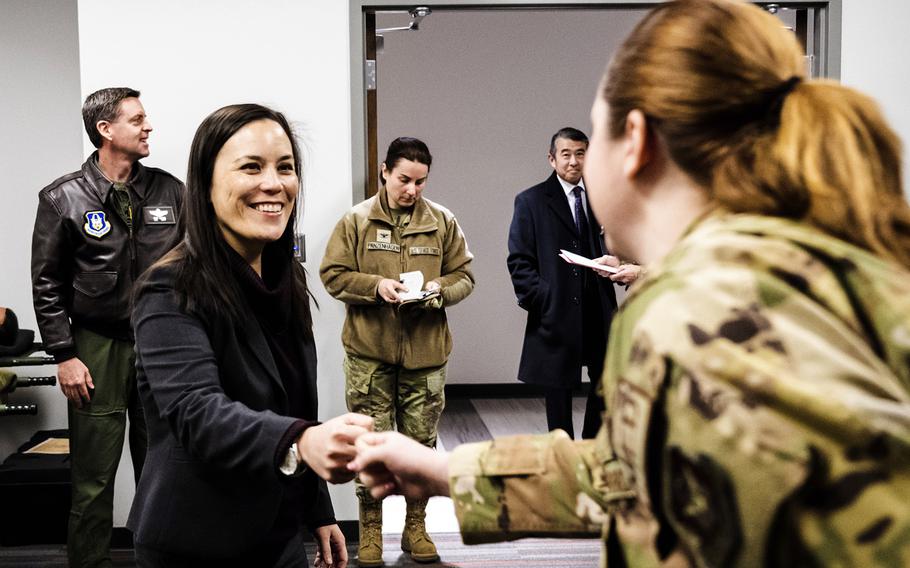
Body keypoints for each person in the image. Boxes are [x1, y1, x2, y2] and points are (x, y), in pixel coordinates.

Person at [349, 0, 910, 566]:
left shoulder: (691, 312)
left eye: (595, 136)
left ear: (635, 142)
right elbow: (644, 473)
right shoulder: (845, 268)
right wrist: (444, 472)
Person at [129, 103, 371, 567]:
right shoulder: (170, 285)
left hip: (275, 531)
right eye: (251, 168)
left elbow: (295, 404)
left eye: (286, 168)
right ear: (205, 185)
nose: (274, 184)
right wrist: (303, 443)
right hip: (196, 539)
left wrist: (317, 508)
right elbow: (198, 413)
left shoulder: (287, 276)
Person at [30, 87, 184, 568]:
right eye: (137, 119)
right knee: (93, 479)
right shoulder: (63, 198)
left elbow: (194, 265)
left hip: (161, 346)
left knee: (165, 471)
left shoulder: (170, 191)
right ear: (105, 129)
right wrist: (63, 354)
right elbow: (47, 282)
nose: (148, 126)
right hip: (95, 348)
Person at [320, 137, 474, 566]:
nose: (412, 189)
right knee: (368, 445)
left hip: (425, 359)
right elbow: (332, 275)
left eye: (420, 182)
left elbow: (464, 276)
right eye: (404, 179)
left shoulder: (442, 221)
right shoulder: (357, 221)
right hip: (370, 356)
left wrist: (438, 290)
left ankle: (415, 527)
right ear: (385, 171)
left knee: (420, 446)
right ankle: (371, 532)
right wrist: (375, 286)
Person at [508, 127, 640, 440]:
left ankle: (590, 446)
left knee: (605, 382)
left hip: (597, 306)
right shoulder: (531, 201)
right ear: (552, 159)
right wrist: (544, 297)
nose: (573, 161)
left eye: (580, 154)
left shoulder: (601, 198)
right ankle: (562, 452)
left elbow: (623, 246)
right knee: (558, 389)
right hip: (556, 310)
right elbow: (519, 261)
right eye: (565, 154)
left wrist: (625, 267)